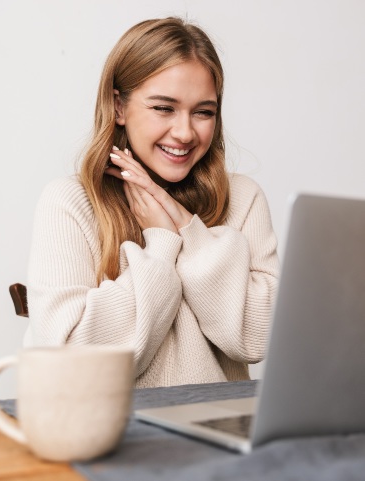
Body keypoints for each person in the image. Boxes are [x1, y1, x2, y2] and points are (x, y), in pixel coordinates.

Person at [24, 17, 279, 388]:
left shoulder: (243, 197)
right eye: (163, 108)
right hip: (114, 437)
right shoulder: (70, 202)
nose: (185, 132)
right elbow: (73, 361)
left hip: (222, 430)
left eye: (203, 112)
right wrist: (160, 244)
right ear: (119, 107)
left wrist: (185, 227)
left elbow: (257, 338)